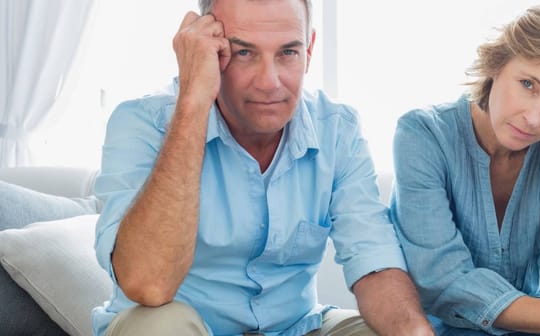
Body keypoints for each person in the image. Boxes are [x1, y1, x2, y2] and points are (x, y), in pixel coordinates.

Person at [91, 0, 434, 335]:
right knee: (158, 326)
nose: (270, 82)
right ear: (206, 50)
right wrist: (195, 99)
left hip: (295, 327)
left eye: (287, 52)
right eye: (244, 53)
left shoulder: (337, 130)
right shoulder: (142, 123)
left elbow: (374, 262)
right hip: (183, 328)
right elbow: (148, 285)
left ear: (309, 49)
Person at [390, 4, 540, 336]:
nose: (534, 118)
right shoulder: (424, 134)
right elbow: (442, 280)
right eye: (528, 83)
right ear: (496, 65)